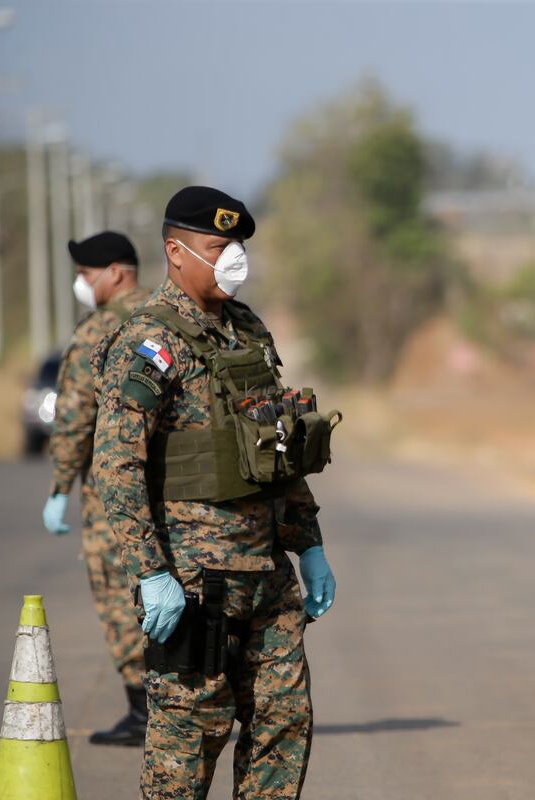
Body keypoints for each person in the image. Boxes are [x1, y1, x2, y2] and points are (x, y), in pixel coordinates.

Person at [92, 186, 337, 799]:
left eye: (237, 247)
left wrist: (308, 545)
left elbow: (280, 449)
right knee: (188, 743)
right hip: (196, 581)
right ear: (176, 252)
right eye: (216, 247)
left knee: (283, 727)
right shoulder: (149, 341)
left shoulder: (247, 329)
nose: (232, 258)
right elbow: (117, 465)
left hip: (267, 575)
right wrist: (151, 573)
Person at [43, 231, 151, 746]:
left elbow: (74, 417)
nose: (82, 286)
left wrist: (61, 484)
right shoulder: (164, 317)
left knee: (118, 598)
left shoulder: (99, 330)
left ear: (116, 272)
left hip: (112, 493)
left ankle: (145, 712)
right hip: (172, 492)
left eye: (87, 276)